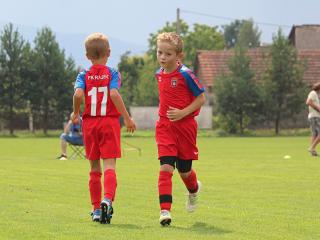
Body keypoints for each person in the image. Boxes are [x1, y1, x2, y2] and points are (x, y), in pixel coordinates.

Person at [71, 32, 136, 224]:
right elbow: (114, 94)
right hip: (108, 123)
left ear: (87, 56)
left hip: (90, 124)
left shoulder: (83, 74)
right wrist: (127, 118)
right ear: (109, 52)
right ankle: (107, 199)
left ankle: (96, 209)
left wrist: (76, 113)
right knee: (110, 165)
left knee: (93, 167)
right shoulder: (112, 73)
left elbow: (78, 95)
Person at [154, 32, 206, 226]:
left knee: (185, 172)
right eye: (160, 52)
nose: (162, 57)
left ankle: (193, 190)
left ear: (178, 56)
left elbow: (201, 99)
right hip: (165, 127)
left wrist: (183, 112)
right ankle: (164, 211)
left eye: (168, 54)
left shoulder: (186, 74)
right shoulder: (158, 74)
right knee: (166, 168)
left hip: (185, 128)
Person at [306, 82, 320, 156]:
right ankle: (311, 148)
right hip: (315, 117)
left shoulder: (316, 95)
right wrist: (318, 109)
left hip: (315, 116)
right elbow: (308, 102)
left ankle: (312, 151)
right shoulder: (313, 93)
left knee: (314, 135)